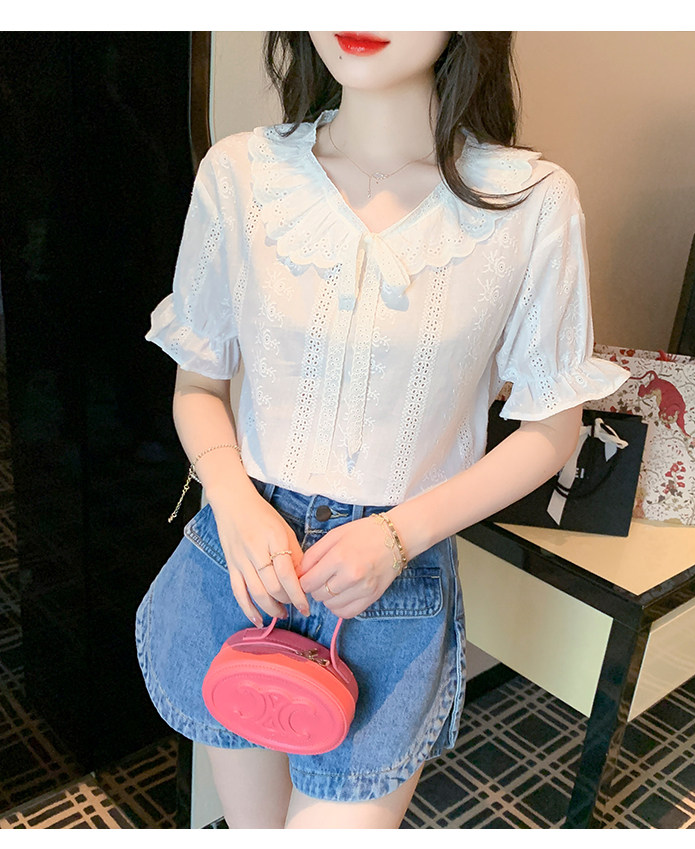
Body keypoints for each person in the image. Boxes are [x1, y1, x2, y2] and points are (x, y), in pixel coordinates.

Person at [135, 31, 629, 829]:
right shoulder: (241, 174)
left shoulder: (531, 203)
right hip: (242, 560)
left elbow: (553, 429)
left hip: (390, 582)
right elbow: (198, 383)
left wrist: (400, 535)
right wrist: (234, 499)